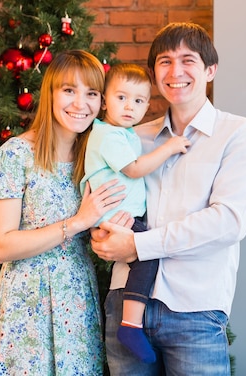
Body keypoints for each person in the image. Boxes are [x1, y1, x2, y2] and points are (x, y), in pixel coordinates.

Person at [91, 22, 246, 375]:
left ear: (210, 70)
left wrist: (138, 246)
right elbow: (99, 188)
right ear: (153, 74)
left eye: (188, 60)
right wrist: (98, 233)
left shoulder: (241, 136)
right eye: (164, 61)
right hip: (124, 303)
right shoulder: (131, 137)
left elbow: (228, 222)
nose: (176, 72)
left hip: (195, 310)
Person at [0, 50, 126, 375]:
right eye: (69, 90)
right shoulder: (14, 156)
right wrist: (77, 222)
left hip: (76, 302)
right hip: (26, 303)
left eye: (91, 93)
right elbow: (0, 246)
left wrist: (112, 227)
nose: (81, 104)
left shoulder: (95, 157)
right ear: (50, 93)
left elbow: (102, 228)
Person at [81, 63, 190, 364]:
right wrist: (169, 148)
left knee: (144, 258)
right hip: (115, 217)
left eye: (139, 101)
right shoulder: (108, 135)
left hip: (122, 216)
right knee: (148, 255)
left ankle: (131, 323)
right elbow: (135, 168)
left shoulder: (123, 133)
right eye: (122, 98)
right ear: (104, 101)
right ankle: (130, 325)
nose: (130, 107)